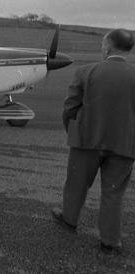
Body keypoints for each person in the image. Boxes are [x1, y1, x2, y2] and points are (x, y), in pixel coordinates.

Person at [51, 29, 135, 255]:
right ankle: (110, 241)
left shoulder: (85, 72)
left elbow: (69, 108)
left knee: (76, 184)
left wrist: (73, 132)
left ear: (108, 46)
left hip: (86, 141)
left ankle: (69, 219)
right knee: (113, 193)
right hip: (125, 145)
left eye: (102, 44)